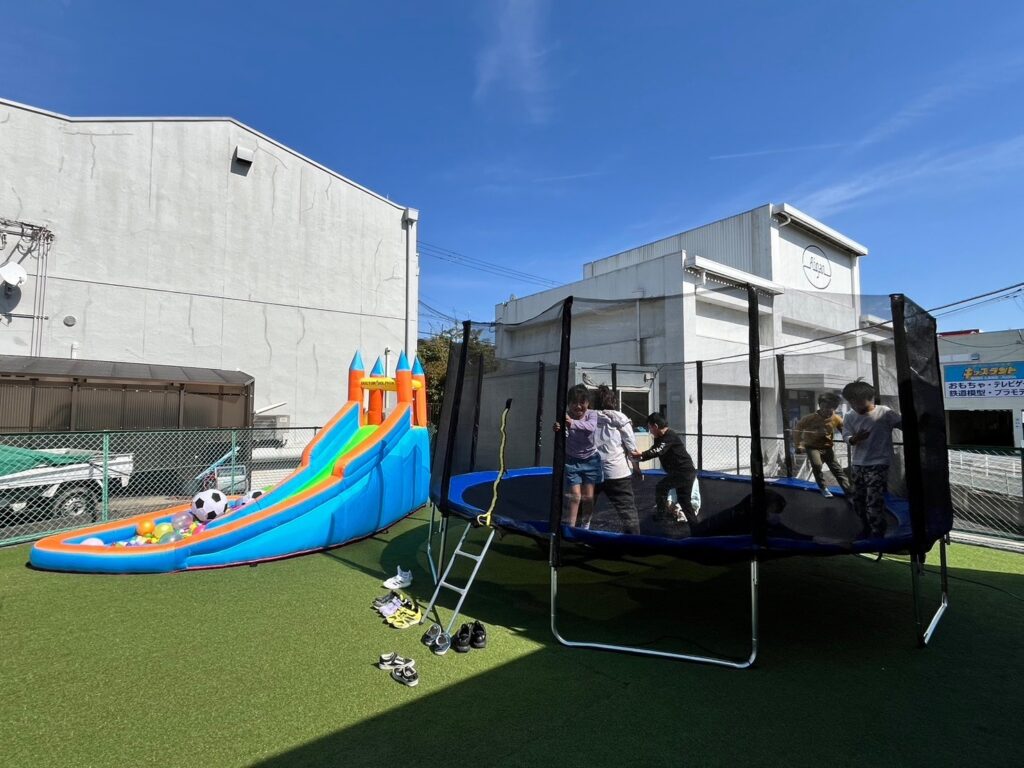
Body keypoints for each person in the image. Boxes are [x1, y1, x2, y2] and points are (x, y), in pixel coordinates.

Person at [841, 379, 901, 538]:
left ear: (868, 398)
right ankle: (863, 527)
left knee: (873, 499)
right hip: (858, 463)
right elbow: (846, 436)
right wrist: (855, 438)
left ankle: (877, 531)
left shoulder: (884, 412)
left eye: (856, 401)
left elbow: (903, 424)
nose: (853, 405)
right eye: (850, 401)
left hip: (879, 463)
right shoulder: (849, 416)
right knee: (858, 499)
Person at [631, 413, 697, 525]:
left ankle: (661, 516)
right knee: (684, 501)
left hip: (683, 473)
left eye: (650, 428)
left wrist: (642, 454)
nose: (650, 431)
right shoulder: (660, 438)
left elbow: (659, 450)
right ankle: (695, 525)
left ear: (655, 426)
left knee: (661, 488)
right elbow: (654, 450)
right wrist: (640, 458)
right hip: (684, 473)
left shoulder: (670, 435)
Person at [593, 385, 640, 534]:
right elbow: (632, 447)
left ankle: (577, 534)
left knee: (585, 507)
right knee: (627, 511)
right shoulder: (619, 417)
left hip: (592, 471)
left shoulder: (588, 417)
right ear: (613, 401)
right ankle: (634, 540)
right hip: (617, 473)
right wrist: (637, 468)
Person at [555, 384, 602, 528]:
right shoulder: (565, 415)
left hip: (591, 459)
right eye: (574, 402)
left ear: (588, 403)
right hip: (572, 460)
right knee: (575, 496)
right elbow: (561, 430)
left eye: (582, 402)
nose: (578, 406)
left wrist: (572, 423)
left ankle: (586, 525)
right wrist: (557, 427)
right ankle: (571, 526)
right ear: (569, 404)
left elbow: (591, 427)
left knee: (588, 497)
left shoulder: (592, 414)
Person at [794, 392, 851, 498]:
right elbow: (798, 429)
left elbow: (845, 432)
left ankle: (849, 492)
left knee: (837, 470)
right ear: (819, 405)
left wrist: (852, 439)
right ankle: (823, 487)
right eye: (823, 407)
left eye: (829, 408)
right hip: (812, 447)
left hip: (827, 447)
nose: (825, 410)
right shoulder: (809, 418)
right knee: (817, 465)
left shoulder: (836, 418)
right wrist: (799, 445)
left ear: (834, 408)